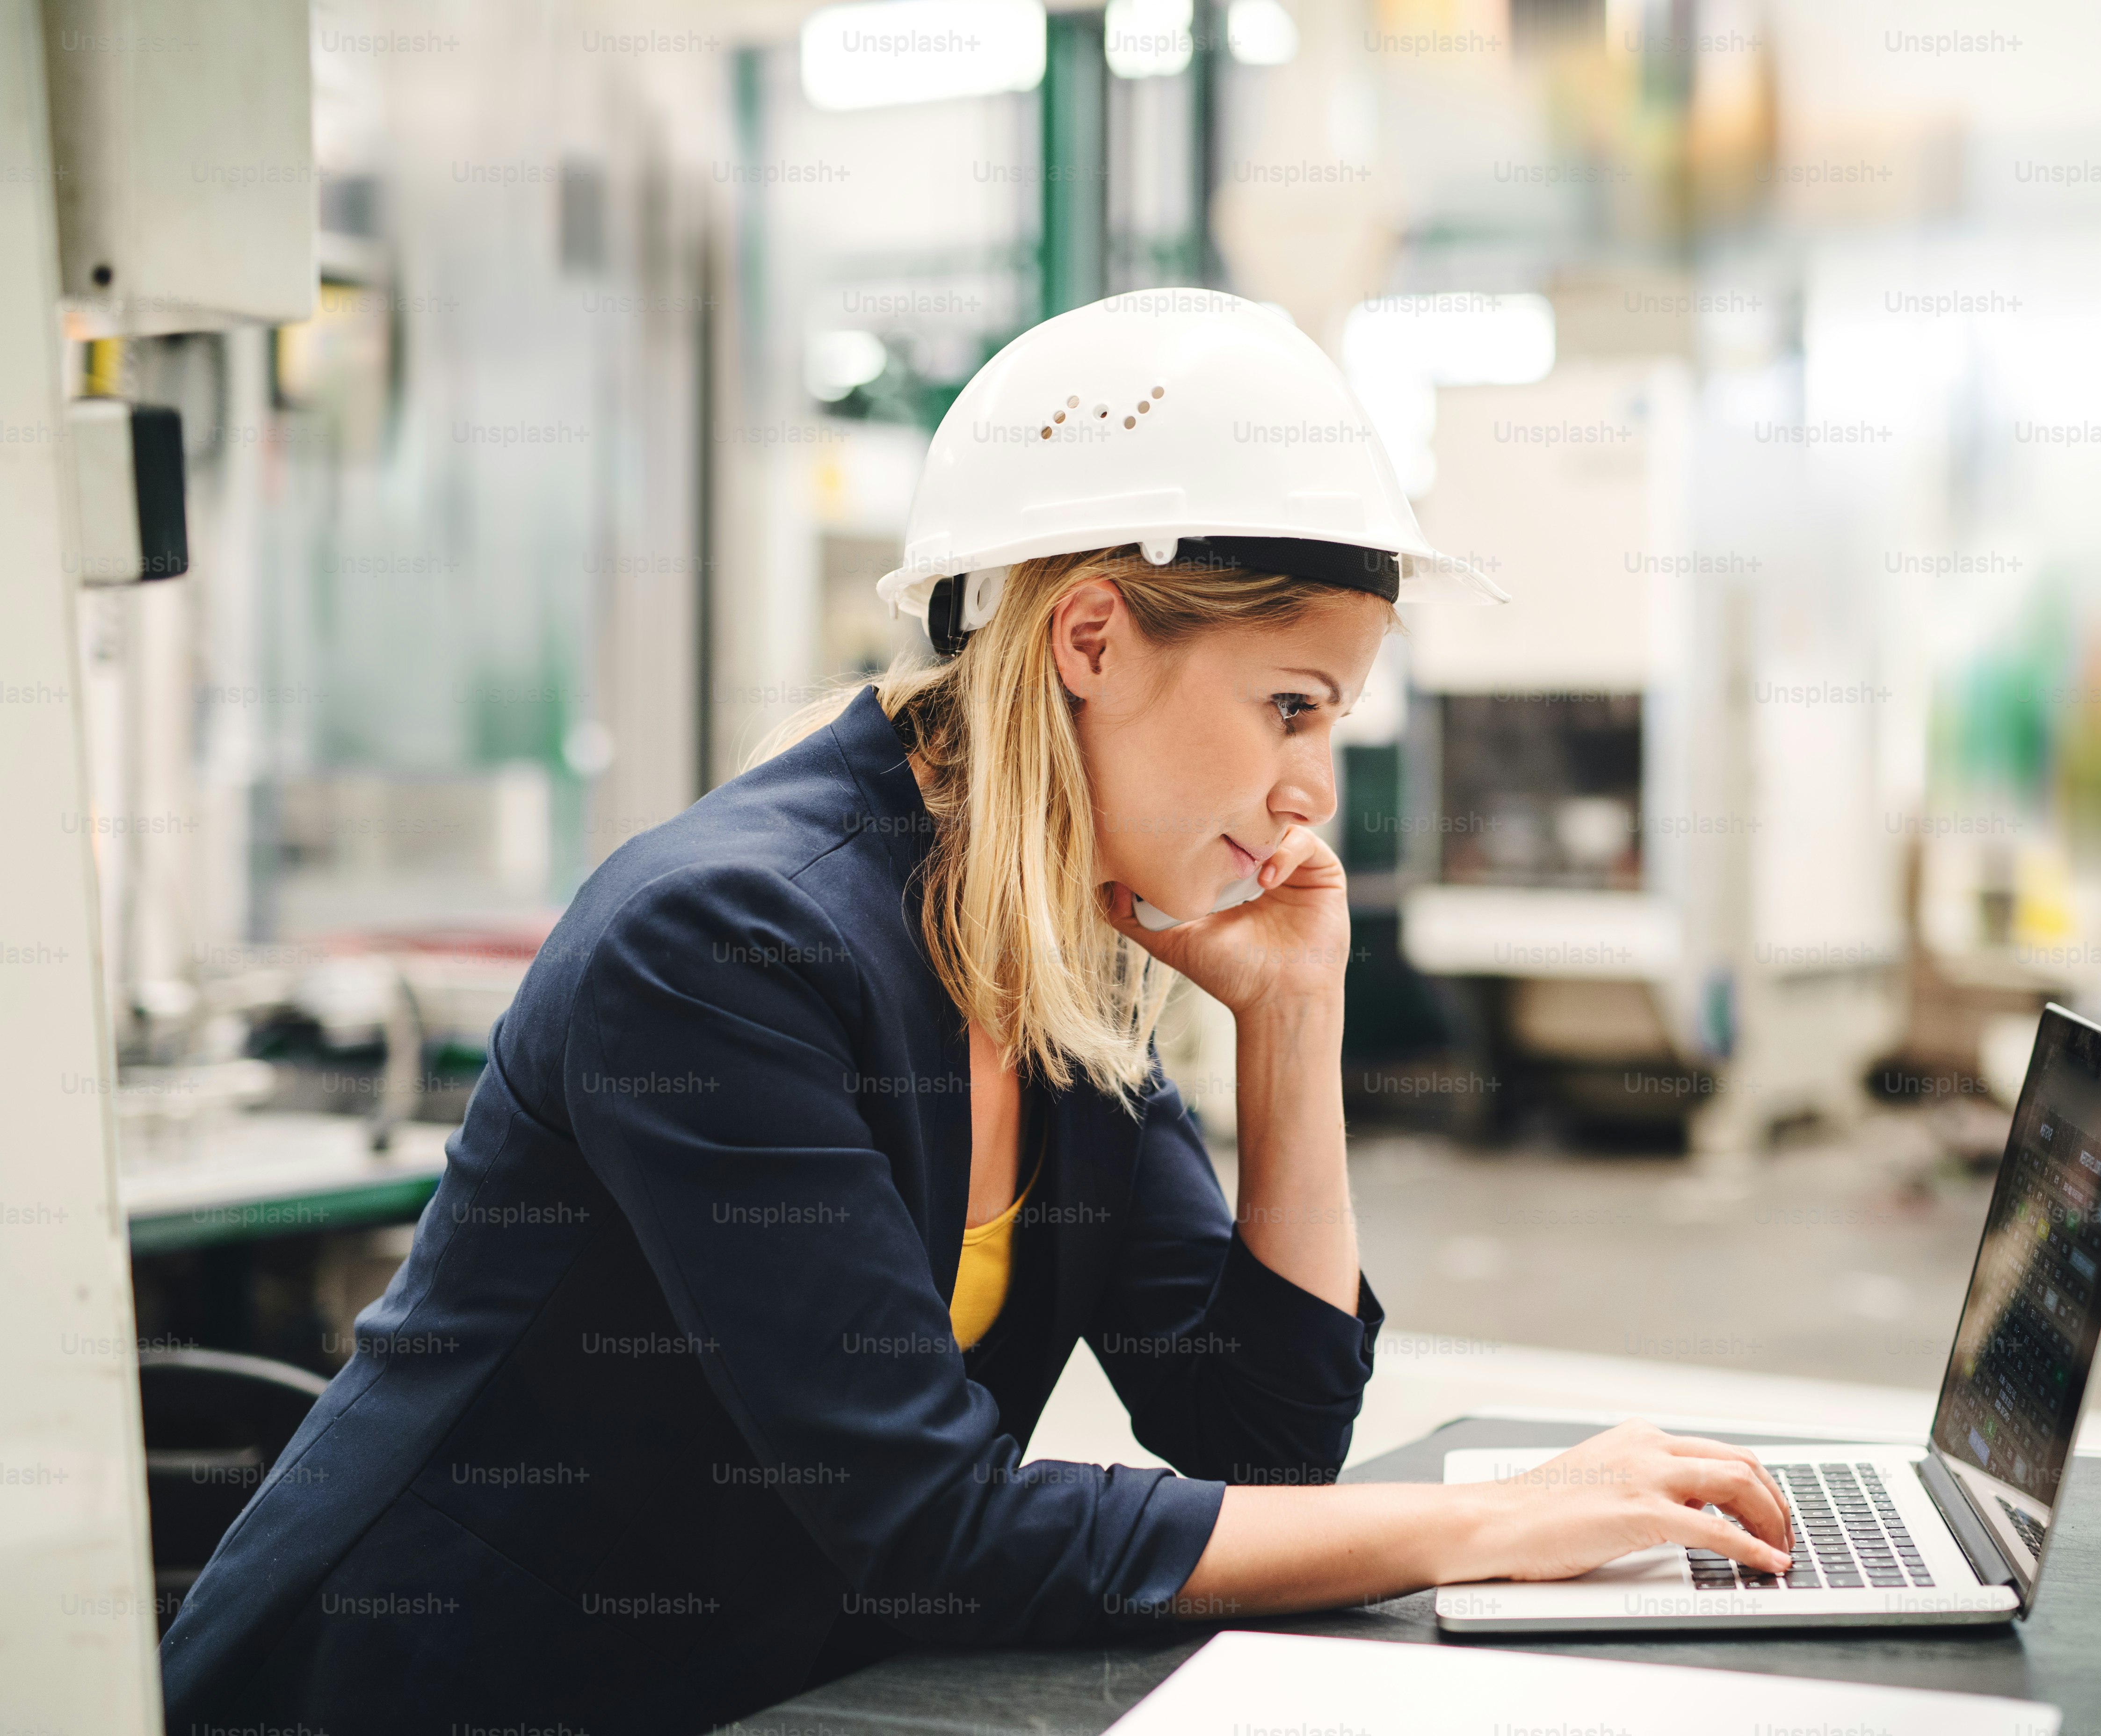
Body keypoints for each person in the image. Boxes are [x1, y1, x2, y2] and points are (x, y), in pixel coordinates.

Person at [158, 295, 1790, 1736]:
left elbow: (1264, 1433)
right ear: (1091, 634)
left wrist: (1298, 1027)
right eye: (1290, 706)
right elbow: (931, 1529)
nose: (1311, 794)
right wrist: (1487, 1519)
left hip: (758, 1689)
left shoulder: (1042, 943)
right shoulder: (726, 946)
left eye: (1337, 724)